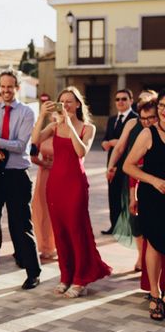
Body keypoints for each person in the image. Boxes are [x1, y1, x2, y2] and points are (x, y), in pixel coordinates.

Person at [33, 87, 111, 298]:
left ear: (78, 105)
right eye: (62, 101)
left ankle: (80, 278)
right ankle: (65, 276)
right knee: (60, 232)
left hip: (75, 184)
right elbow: (34, 140)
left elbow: (81, 152)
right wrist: (41, 116)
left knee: (76, 230)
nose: (66, 105)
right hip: (55, 183)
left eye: (70, 101)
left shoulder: (88, 128)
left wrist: (69, 126)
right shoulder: (53, 126)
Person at [0, 70, 41, 291]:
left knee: (21, 225)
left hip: (17, 175)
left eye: (10, 87)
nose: (5, 91)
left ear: (17, 88)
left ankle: (33, 273)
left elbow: (21, 145)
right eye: (2, 87)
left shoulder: (26, 113)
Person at [123, 90, 165, 320]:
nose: (164, 110)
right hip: (152, 197)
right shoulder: (148, 134)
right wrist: (154, 180)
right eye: (162, 105)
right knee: (155, 245)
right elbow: (128, 166)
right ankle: (155, 294)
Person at [107, 90, 158, 270]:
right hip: (132, 176)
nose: (146, 122)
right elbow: (120, 148)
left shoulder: (158, 128)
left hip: (152, 179)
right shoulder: (132, 123)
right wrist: (111, 165)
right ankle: (140, 256)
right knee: (135, 220)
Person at [102, 88, 137, 234]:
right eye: (117, 99)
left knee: (127, 198)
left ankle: (129, 228)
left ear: (131, 101)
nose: (120, 102)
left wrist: (116, 142)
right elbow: (106, 140)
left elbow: (132, 143)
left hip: (129, 165)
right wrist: (107, 142)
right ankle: (114, 226)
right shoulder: (112, 119)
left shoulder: (135, 119)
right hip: (112, 164)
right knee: (113, 197)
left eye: (124, 99)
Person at [31, 120, 56, 259]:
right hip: (45, 174)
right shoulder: (43, 136)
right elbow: (33, 155)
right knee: (44, 209)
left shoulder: (68, 134)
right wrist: (43, 163)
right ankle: (46, 246)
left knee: (60, 209)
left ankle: (60, 245)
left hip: (61, 174)